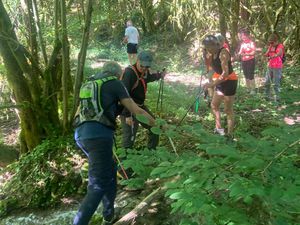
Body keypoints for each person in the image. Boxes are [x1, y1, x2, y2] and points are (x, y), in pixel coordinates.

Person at [73, 61, 156, 225]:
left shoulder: (89, 84)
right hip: (99, 137)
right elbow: (136, 109)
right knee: (97, 186)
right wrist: (155, 123)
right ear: (119, 74)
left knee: (111, 172)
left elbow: (80, 113)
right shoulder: (115, 83)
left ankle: (108, 216)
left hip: (81, 136)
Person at [120, 50, 166, 150]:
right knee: (129, 138)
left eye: (147, 67)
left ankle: (151, 152)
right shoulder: (129, 73)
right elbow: (123, 95)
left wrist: (159, 75)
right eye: (142, 66)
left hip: (140, 107)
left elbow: (148, 78)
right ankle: (124, 163)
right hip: (128, 109)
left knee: (155, 127)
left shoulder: (144, 72)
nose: (144, 68)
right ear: (137, 61)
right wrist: (127, 115)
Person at [202, 35, 238, 136]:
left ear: (215, 45)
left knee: (228, 109)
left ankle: (230, 134)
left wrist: (212, 84)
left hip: (230, 81)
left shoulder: (223, 53)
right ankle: (219, 129)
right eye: (205, 48)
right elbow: (210, 66)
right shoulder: (212, 53)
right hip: (220, 81)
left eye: (208, 47)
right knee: (214, 105)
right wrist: (205, 56)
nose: (207, 49)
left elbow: (225, 73)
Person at [264, 33, 284, 102]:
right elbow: (266, 53)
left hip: (277, 67)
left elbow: (279, 53)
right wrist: (265, 56)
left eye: (272, 42)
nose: (271, 44)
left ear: (276, 41)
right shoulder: (270, 46)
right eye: (270, 43)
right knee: (267, 81)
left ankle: (277, 97)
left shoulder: (280, 46)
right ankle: (266, 96)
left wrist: (272, 56)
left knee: (276, 82)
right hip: (270, 66)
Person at [238, 29, 256, 94]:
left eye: (243, 36)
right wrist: (239, 54)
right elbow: (240, 51)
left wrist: (245, 54)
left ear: (247, 36)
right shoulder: (242, 44)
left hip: (251, 60)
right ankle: (248, 88)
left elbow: (253, 52)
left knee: (250, 74)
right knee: (246, 75)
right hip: (244, 61)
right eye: (242, 36)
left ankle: (253, 89)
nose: (242, 37)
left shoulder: (251, 43)